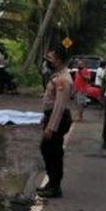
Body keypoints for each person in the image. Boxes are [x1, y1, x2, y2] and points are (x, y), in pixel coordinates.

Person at [38, 45, 73, 198]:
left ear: (58, 60)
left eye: (50, 58)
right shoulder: (58, 75)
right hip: (52, 116)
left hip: (57, 118)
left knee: (52, 150)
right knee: (49, 149)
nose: (48, 61)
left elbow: (59, 106)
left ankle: (55, 186)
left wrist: (51, 127)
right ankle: (52, 183)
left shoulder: (63, 79)